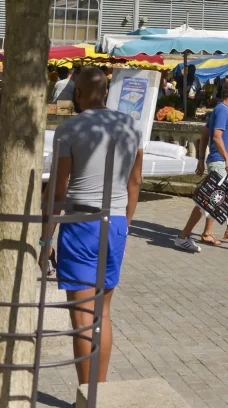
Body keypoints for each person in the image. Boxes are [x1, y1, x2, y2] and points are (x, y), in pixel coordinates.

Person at [39, 67, 143, 387]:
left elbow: (58, 189)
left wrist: (45, 241)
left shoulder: (70, 129)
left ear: (79, 95)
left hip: (80, 223)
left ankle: (87, 398)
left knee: (82, 317)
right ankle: (99, 394)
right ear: (106, 93)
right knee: (102, 314)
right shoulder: (130, 126)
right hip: (114, 223)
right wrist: (125, 223)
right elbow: (134, 184)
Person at [175, 80, 228, 253]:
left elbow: (208, 134)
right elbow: (215, 137)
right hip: (220, 162)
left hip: (221, 162)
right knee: (207, 201)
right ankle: (183, 237)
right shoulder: (222, 111)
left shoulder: (222, 112)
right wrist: (227, 160)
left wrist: (201, 158)